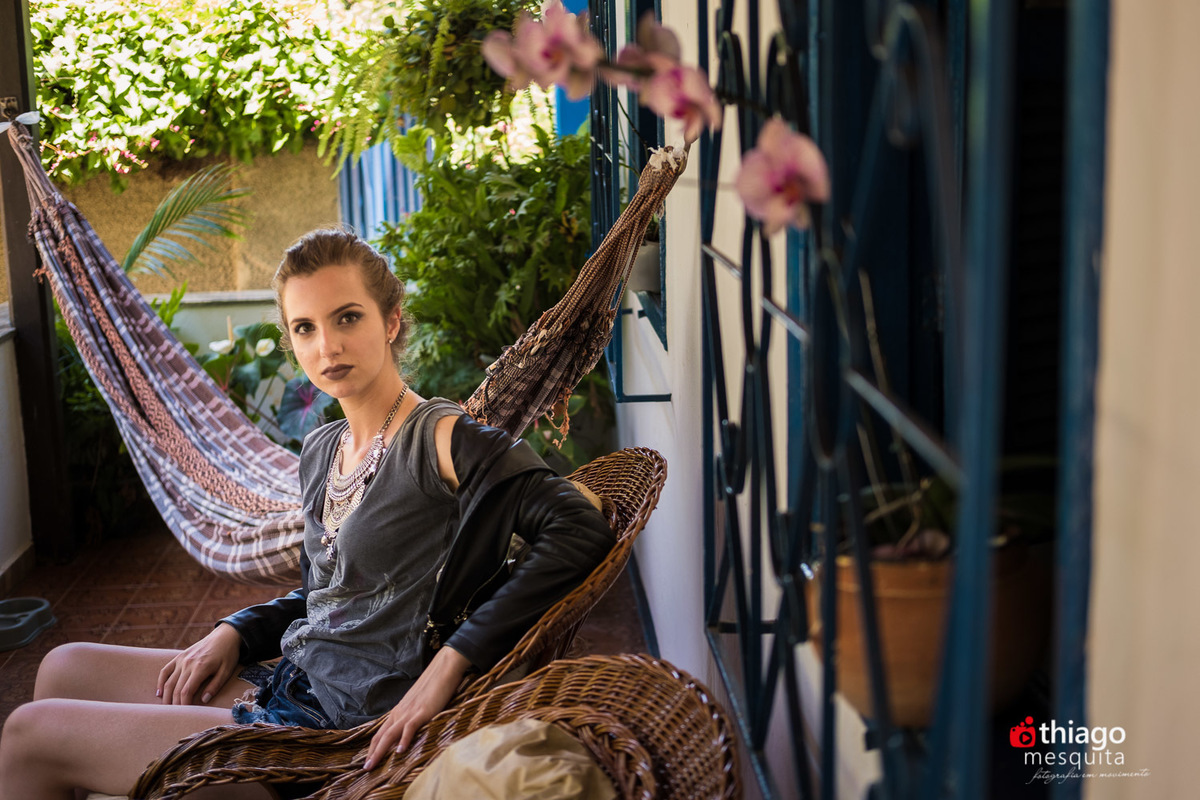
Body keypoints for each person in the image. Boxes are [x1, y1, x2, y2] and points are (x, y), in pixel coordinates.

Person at [0, 229, 614, 799]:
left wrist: (453, 661)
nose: (328, 346)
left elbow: (578, 526)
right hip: (292, 682)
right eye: (304, 328)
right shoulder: (322, 448)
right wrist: (238, 630)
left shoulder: (442, 440)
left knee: (32, 734)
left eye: (347, 317)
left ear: (392, 320)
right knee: (62, 667)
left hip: (334, 734)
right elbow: (334, 594)